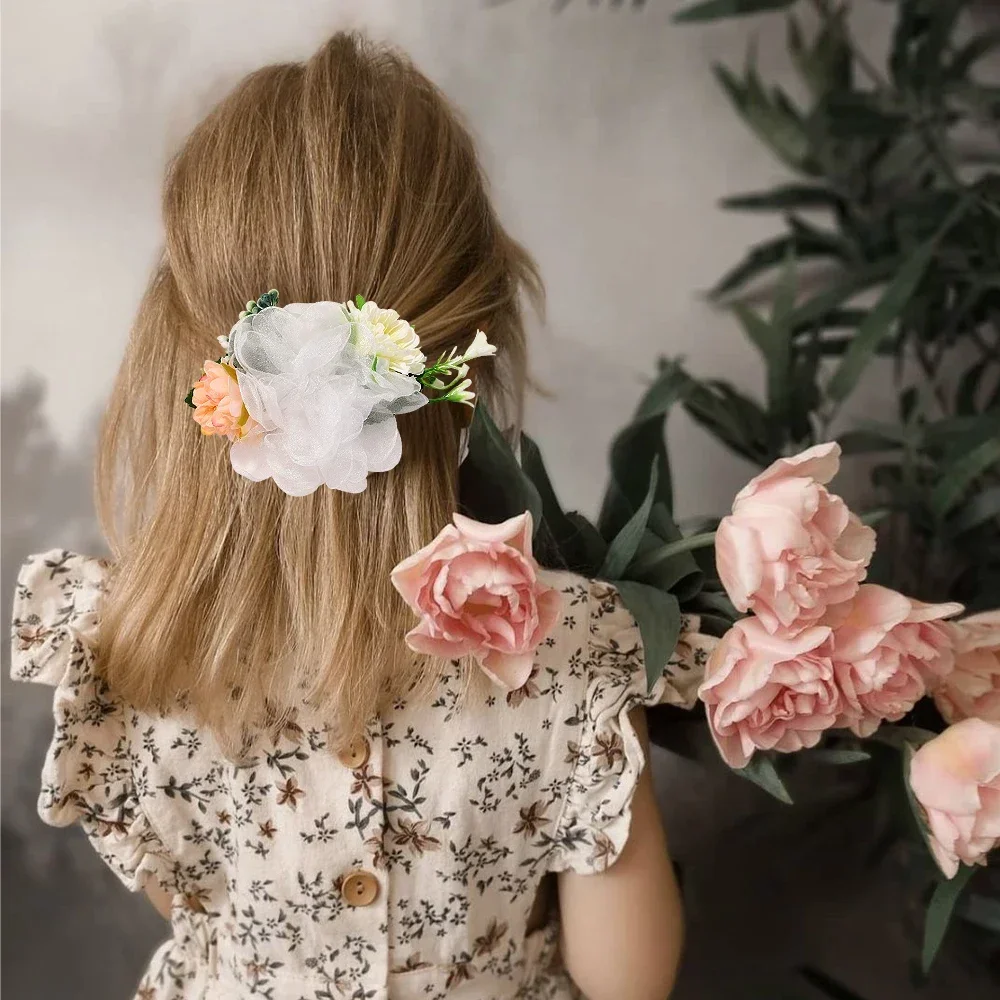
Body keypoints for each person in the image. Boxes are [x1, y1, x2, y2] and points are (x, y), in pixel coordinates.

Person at [10, 32, 699, 1000]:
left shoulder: (135, 650)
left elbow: (192, 900)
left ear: (184, 356)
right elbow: (625, 979)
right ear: (474, 345)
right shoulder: (563, 648)